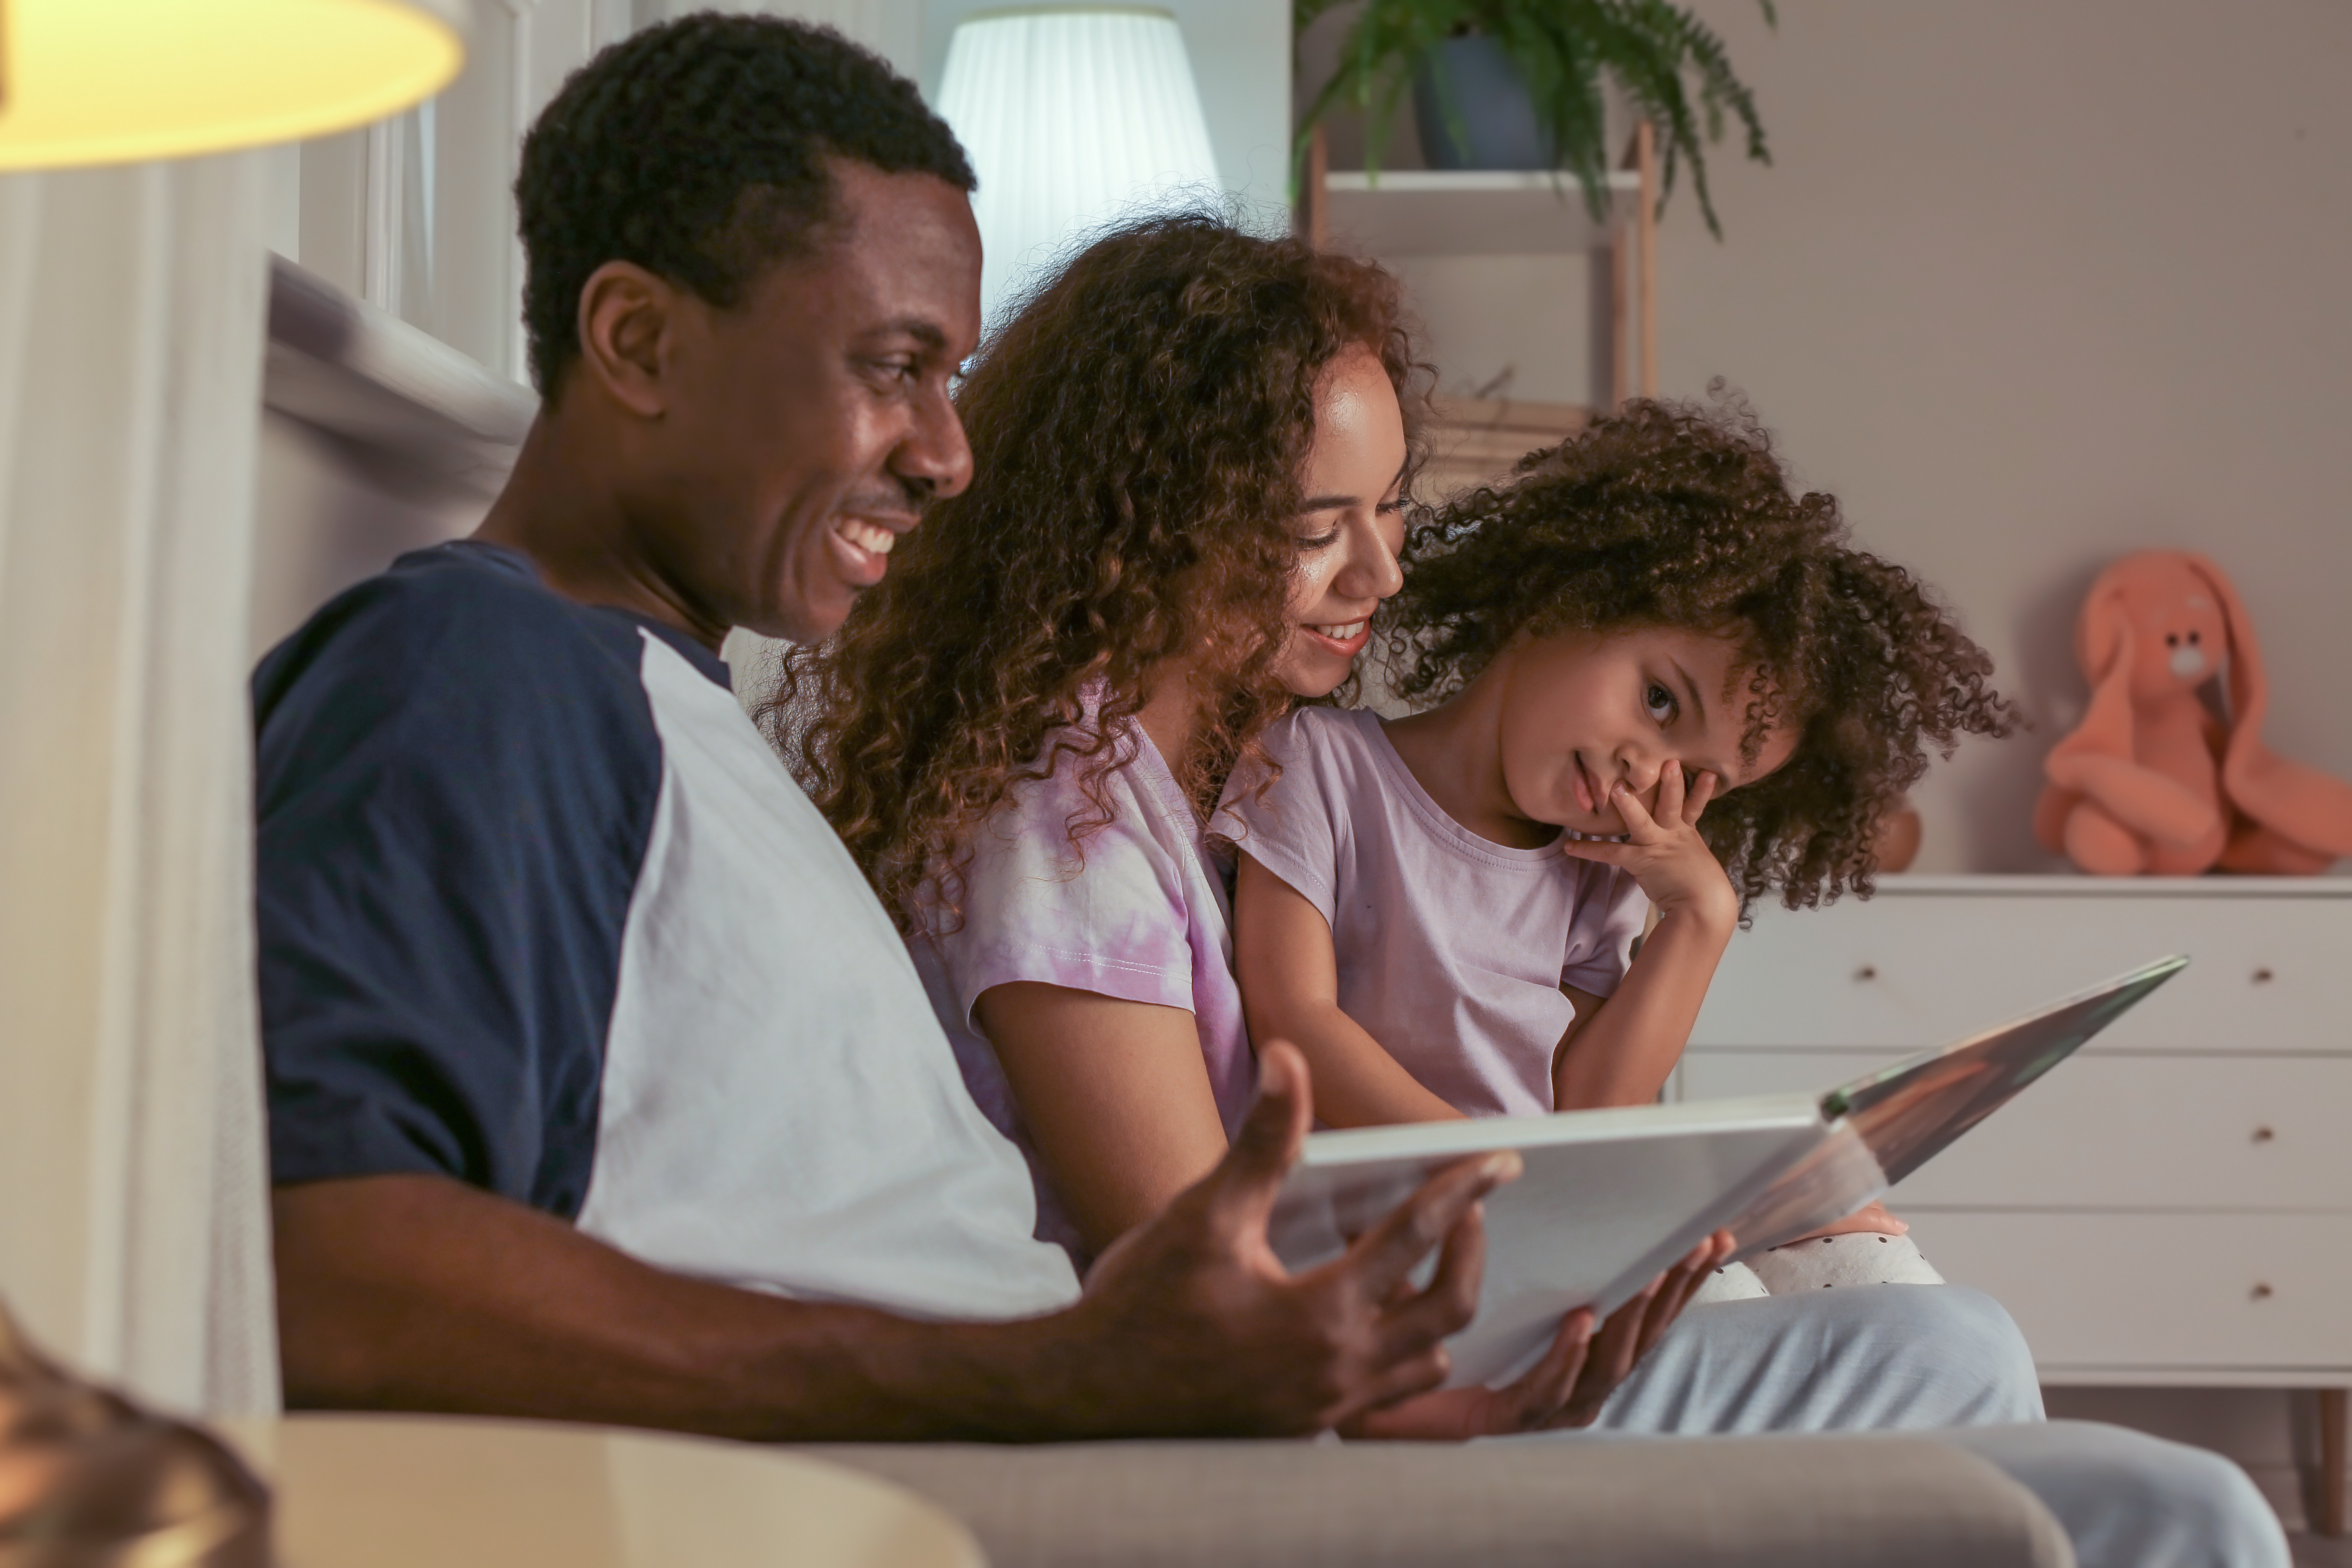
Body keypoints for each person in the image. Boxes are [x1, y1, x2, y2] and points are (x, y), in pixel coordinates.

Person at [249, 14, 2287, 1566]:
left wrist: (1416, 1408)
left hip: (1094, 1419)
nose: (950, 454)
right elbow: (314, 1267)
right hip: (1033, 1466)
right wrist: (1053, 1377)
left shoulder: (691, 719)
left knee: (2123, 1484)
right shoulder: (478, 666)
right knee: (2149, 1509)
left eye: (956, 379)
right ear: (635, 342)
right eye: (891, 366)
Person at [1218, 396, 1987, 1294]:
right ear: (1568, 599)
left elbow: (1590, 1110)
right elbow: (1293, 1024)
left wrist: (1700, 916)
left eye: (1699, 778)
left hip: (1539, 1223)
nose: (1645, 773)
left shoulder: (1596, 874)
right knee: (1728, 1297)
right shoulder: (1316, 766)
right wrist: (1512, 1180)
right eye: (1661, 701)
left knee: (1883, 1273)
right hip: (1389, 1238)